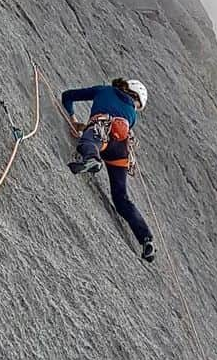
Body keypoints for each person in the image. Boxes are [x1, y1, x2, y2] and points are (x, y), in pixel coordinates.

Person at [60, 78, 155, 263]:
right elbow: (117, 121)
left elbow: (67, 96)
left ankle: (92, 158)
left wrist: (72, 118)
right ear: (135, 97)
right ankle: (146, 238)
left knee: (90, 141)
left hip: (101, 132)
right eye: (137, 104)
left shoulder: (103, 90)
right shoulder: (132, 115)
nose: (134, 108)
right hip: (121, 150)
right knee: (121, 198)